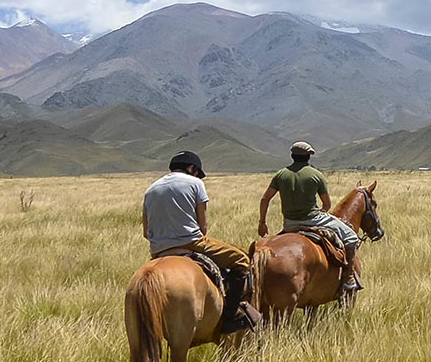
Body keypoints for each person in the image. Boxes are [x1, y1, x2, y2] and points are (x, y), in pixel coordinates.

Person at [143, 150, 259, 332]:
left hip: (158, 249)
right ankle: (229, 318)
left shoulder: (151, 189)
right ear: (192, 168)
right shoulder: (195, 183)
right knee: (241, 260)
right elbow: (203, 228)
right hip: (192, 242)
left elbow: (145, 232)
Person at [258, 141, 361, 296]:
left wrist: (262, 222)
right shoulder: (316, 175)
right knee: (351, 237)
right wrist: (322, 212)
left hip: (289, 223)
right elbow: (326, 204)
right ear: (308, 157)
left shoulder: (281, 174)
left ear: (292, 156)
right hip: (313, 219)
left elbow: (265, 199)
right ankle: (349, 279)